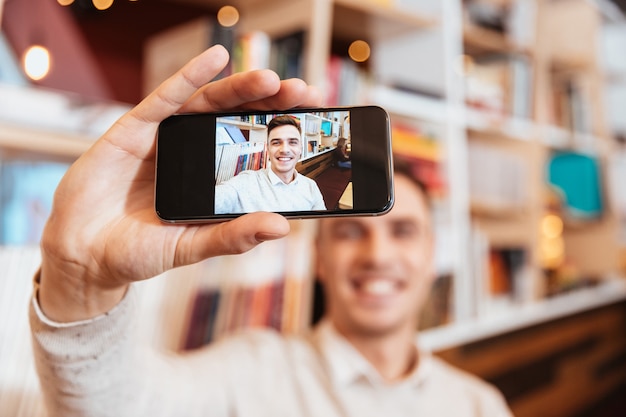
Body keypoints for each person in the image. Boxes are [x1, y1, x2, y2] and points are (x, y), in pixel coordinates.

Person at [29, 45, 513, 417]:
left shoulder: (478, 405)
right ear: (318, 258)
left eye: (404, 231)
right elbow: (120, 407)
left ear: (433, 253)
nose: (377, 254)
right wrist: (83, 279)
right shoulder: (251, 371)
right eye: (348, 233)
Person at [215, 115, 326, 214]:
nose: (285, 150)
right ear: (268, 148)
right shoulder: (245, 182)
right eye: (276, 143)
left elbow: (321, 227)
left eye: (292, 142)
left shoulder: (311, 186)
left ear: (300, 149)